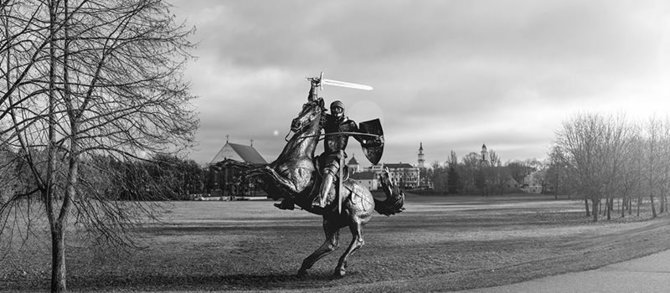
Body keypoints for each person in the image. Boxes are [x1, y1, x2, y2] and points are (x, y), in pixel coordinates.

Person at [275, 79, 380, 211]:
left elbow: (362, 139)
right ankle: (289, 200)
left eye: (338, 109)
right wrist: (314, 87)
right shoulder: (327, 120)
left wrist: (373, 141)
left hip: (337, 156)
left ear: (342, 110)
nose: (336, 111)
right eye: (334, 109)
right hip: (325, 155)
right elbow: (314, 106)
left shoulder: (350, 124)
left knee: (328, 172)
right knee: (303, 170)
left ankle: (322, 199)